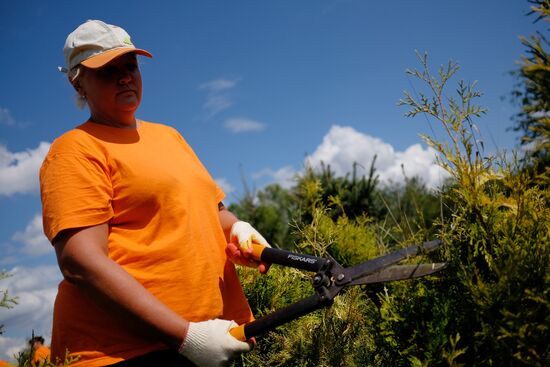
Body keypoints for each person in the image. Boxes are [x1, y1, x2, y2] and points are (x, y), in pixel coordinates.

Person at [40, 19, 270, 367]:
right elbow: (81, 262)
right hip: (126, 352)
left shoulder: (169, 136)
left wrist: (238, 227)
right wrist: (184, 336)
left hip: (214, 334)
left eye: (130, 65)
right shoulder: (74, 150)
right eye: (107, 71)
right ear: (78, 83)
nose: (124, 77)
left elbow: (211, 209)